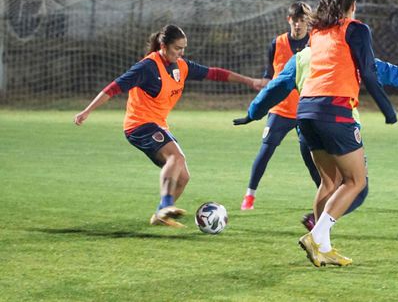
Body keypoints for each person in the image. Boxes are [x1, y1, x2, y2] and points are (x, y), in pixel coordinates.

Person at [74, 24, 263, 228]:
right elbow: (114, 87)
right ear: (163, 46)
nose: (181, 53)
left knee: (183, 176)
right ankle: (166, 205)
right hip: (139, 125)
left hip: (157, 125)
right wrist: (87, 111)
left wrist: (250, 81)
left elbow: (215, 73)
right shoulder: (147, 67)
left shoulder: (181, 66)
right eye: (177, 48)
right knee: (176, 157)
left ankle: (159, 215)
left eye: (183, 48)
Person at [233, 46, 398, 230]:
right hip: (340, 128)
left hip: (307, 131)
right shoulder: (346, 51)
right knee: (357, 187)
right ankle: (317, 230)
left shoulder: (300, 58)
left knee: (327, 187)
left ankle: (320, 241)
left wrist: (253, 113)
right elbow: (382, 70)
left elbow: (274, 89)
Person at [297, 0, 398, 267]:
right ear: (352, 6)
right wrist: (387, 109)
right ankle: (317, 236)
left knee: (330, 181)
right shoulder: (356, 29)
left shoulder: (317, 32)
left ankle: (323, 247)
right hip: (335, 111)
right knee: (356, 181)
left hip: (305, 110)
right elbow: (368, 71)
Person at [240, 1, 315, 211]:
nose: (299, 25)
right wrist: (264, 83)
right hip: (280, 110)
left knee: (312, 158)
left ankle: (325, 198)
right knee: (265, 151)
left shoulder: (315, 43)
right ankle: (249, 196)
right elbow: (270, 75)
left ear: (308, 22)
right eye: (295, 20)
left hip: (306, 110)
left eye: (303, 21)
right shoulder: (277, 43)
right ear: (288, 20)